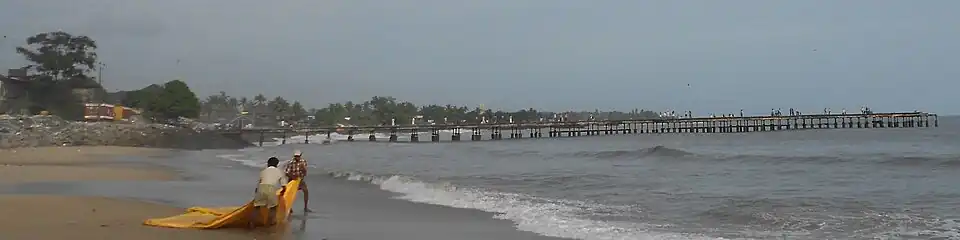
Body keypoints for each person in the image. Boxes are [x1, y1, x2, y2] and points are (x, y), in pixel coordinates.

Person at [249, 157, 288, 228]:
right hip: (271, 188)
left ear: (268, 163)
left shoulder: (263, 171)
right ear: (277, 164)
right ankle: (268, 224)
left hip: (261, 188)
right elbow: (284, 185)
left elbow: (258, 184)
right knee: (273, 207)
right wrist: (283, 192)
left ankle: (252, 224)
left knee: (256, 207)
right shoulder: (279, 171)